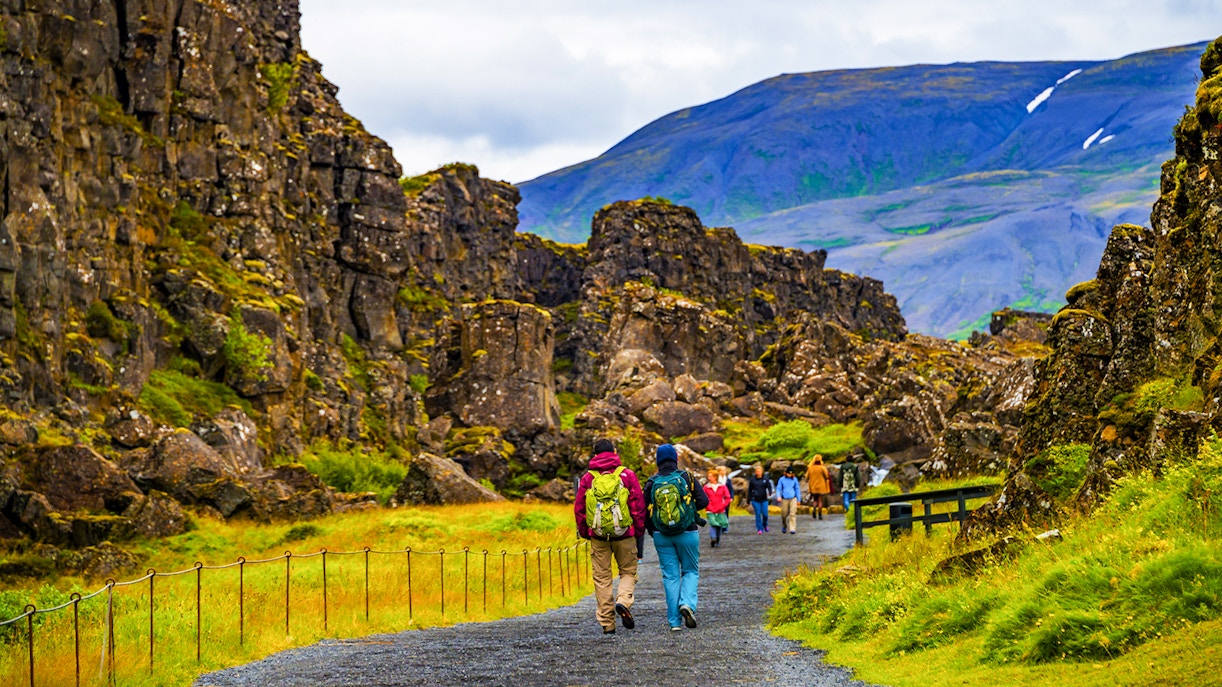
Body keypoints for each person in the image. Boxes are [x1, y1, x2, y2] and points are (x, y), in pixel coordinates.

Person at [574, 438, 647, 635]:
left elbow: (579, 508)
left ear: (595, 455)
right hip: (625, 534)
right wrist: (638, 531)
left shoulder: (588, 478)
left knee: (602, 578)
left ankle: (607, 623)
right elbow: (638, 506)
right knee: (628, 572)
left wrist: (585, 532)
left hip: (598, 535)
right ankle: (623, 601)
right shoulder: (627, 475)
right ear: (614, 451)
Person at [644, 444, 709, 631]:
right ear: (676, 459)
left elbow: (644, 511)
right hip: (687, 532)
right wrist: (688, 512)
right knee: (690, 571)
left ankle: (674, 622)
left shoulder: (651, 482)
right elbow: (704, 501)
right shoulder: (686, 477)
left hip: (661, 535)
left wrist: (652, 530)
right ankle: (687, 604)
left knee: (670, 577)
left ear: (657, 461)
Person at [703, 468, 732, 547]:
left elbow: (727, 497)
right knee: (713, 523)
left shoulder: (722, 487)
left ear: (715, 477)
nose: (709, 478)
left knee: (719, 525)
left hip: (720, 509)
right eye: (708, 476)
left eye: (711, 476)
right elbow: (703, 498)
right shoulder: (706, 487)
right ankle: (713, 538)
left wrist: (723, 505)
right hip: (710, 509)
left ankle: (717, 540)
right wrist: (708, 506)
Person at [746, 464, 774, 534]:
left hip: (764, 499)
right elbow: (749, 490)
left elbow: (769, 486)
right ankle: (759, 528)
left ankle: (765, 525)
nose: (758, 472)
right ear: (755, 472)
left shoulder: (765, 479)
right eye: (757, 471)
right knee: (758, 514)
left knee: (765, 514)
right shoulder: (752, 480)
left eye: (760, 471)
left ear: (762, 472)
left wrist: (770, 492)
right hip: (755, 499)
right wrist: (748, 499)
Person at [775, 466, 802, 534]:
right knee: (784, 514)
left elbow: (797, 489)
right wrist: (778, 496)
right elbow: (779, 488)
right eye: (788, 474)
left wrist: (799, 499)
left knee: (792, 513)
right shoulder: (781, 480)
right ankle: (784, 525)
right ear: (786, 473)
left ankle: (792, 528)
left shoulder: (795, 479)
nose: (790, 475)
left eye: (791, 474)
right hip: (784, 498)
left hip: (793, 498)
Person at [805, 454, 831, 520]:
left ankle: (814, 509)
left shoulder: (810, 468)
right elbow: (826, 476)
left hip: (813, 487)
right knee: (820, 500)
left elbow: (806, 477)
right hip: (821, 487)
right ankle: (820, 514)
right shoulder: (822, 468)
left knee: (815, 500)